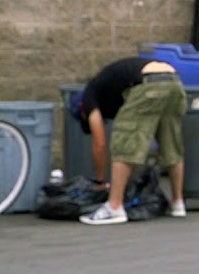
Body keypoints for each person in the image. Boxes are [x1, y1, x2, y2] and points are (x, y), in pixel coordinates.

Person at [71, 57, 187, 225]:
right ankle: (178, 203)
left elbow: (100, 143)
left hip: (148, 82)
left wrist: (100, 181)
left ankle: (114, 207)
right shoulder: (112, 92)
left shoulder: (89, 96)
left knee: (123, 142)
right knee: (171, 145)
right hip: (174, 80)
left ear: (82, 110)